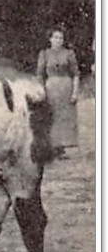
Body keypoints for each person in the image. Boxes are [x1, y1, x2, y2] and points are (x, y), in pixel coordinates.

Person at [36, 27, 80, 156]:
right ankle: (52, 147)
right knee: (51, 116)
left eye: (61, 38)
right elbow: (40, 74)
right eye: (55, 37)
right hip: (51, 87)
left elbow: (76, 74)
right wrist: (41, 90)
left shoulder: (69, 53)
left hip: (66, 86)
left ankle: (62, 147)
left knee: (64, 117)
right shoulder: (44, 54)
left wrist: (75, 92)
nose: (58, 40)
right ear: (50, 39)